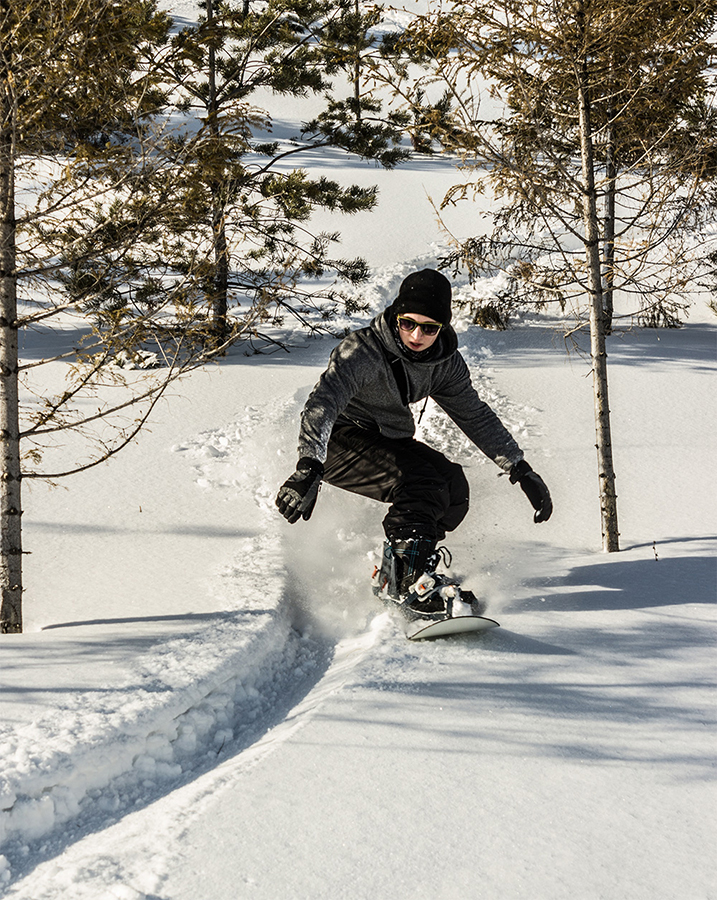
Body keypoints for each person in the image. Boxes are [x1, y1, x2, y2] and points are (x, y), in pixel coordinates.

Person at [275, 268, 552, 620]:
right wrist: (309, 466)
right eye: (408, 323)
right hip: (336, 441)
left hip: (383, 439)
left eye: (429, 327)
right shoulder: (361, 352)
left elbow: (474, 415)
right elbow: (322, 404)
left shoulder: (443, 363)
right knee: (421, 482)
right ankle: (406, 584)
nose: (417, 335)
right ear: (396, 316)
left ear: (444, 328)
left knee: (452, 487)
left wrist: (519, 467)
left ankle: (406, 564)